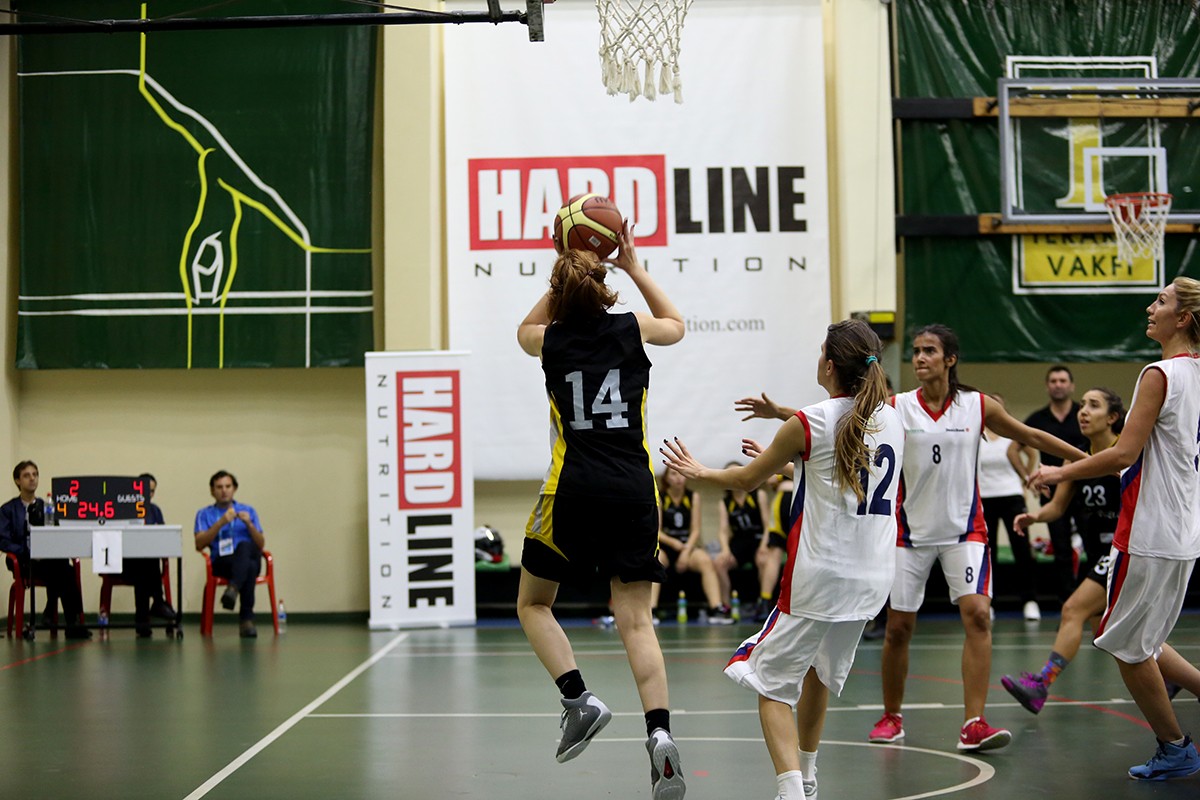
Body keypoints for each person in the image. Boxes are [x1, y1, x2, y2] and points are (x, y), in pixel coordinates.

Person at [741, 323, 1088, 752]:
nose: (920, 358)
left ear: (950, 360)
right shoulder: (897, 406)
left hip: (965, 530)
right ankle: (892, 715)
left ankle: (974, 722)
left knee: (979, 615)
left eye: (929, 351)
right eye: (917, 351)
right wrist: (781, 415)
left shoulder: (977, 405)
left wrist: (1089, 461)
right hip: (908, 532)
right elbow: (841, 423)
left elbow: (1031, 436)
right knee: (899, 628)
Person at [662, 318, 903, 800]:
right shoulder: (892, 418)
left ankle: (791, 792)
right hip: (873, 578)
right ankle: (808, 777)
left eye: (820, 352)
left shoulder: (809, 422)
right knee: (817, 672)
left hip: (821, 575)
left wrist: (698, 471)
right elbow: (839, 467)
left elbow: (745, 480)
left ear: (830, 366)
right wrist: (792, 455)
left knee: (769, 683)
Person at [515, 222, 687, 800]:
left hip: (572, 490)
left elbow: (523, 330)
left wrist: (566, 267)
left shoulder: (551, 339)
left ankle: (578, 698)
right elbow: (676, 324)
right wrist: (631, 266)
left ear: (560, 295)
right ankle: (659, 734)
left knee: (534, 603)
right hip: (634, 490)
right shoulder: (633, 327)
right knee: (636, 620)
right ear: (607, 290)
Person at [1029, 278, 1200, 780]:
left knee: (1124, 645)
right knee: (1144, 640)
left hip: (1148, 531)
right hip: (1185, 533)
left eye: (1161, 301)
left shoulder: (1159, 374)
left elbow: (1124, 453)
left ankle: (1176, 747)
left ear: (1183, 318)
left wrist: (1058, 472)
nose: (1150, 307)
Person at [1002, 387, 1200, 716]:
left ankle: (1040, 685)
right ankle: (1182, 679)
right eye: (1082, 405)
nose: (1083, 411)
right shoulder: (1076, 458)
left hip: (1128, 550)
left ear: (1112, 418)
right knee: (1115, 633)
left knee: (1073, 610)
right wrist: (1034, 517)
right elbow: (1058, 507)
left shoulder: (1128, 452)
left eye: (1093, 405)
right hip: (1100, 555)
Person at [1010, 366, 1090, 603]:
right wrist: (1028, 478)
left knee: (1092, 546)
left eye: (1063, 380)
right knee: (1061, 550)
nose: (1058, 385)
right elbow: (1012, 450)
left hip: (1086, 491)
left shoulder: (1083, 415)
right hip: (1053, 493)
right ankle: (1068, 603)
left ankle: (1095, 603)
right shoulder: (1038, 419)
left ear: (1071, 386)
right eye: (1053, 381)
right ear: (1047, 386)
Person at [0, 461, 90, 639]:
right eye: (27, 475)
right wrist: (24, 551)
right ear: (18, 481)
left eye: (35, 474)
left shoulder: (47, 507)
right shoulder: (8, 509)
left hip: (47, 560)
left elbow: (56, 535)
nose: (32, 479)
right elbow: (3, 540)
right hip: (23, 560)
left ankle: (53, 613)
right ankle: (71, 624)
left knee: (63, 567)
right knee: (65, 570)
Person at [976, 394, 1038, 621]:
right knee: (987, 552)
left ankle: (1029, 600)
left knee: (1021, 550)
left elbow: (1032, 452)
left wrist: (1026, 479)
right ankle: (989, 601)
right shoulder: (976, 434)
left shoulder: (1011, 434)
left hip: (1011, 496)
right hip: (985, 498)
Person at [652, 467, 731, 624]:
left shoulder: (693, 496)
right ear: (666, 478)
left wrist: (686, 551)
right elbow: (657, 531)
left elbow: (695, 530)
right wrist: (674, 543)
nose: (678, 478)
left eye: (681, 474)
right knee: (655, 561)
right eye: (673, 474)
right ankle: (651, 610)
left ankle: (716, 609)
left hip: (687, 546)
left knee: (705, 561)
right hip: (667, 545)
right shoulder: (660, 497)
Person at [194, 470, 265, 638]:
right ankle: (246, 620)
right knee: (250, 566)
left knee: (245, 547)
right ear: (212, 491)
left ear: (234, 489)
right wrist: (221, 522)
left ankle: (233, 589)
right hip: (222, 561)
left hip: (247, 556)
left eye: (228, 486)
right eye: (219, 487)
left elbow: (261, 544)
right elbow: (199, 544)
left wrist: (249, 524)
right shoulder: (204, 514)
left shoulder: (248, 510)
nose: (224, 491)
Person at [711, 466, 779, 621]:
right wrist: (725, 549)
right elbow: (723, 530)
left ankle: (764, 603)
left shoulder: (758, 495)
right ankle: (726, 606)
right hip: (739, 541)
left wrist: (764, 545)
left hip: (759, 538)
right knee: (720, 563)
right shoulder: (725, 502)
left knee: (764, 560)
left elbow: (768, 524)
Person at [117, 472, 177, 637]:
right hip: (124, 564)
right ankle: (158, 602)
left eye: (151, 491)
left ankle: (143, 622)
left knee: (145, 563)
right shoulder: (122, 510)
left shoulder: (155, 510)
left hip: (147, 566)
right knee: (144, 563)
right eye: (144, 490)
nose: (147, 494)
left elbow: (162, 538)